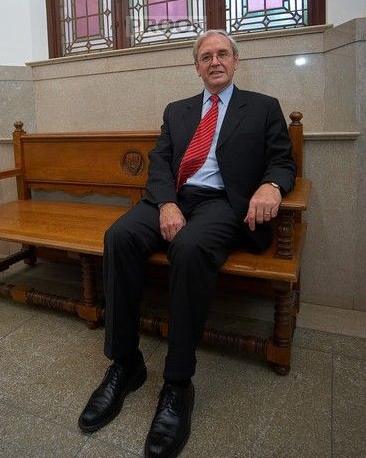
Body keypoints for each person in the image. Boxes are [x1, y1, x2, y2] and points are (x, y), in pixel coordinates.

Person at [78, 30, 296, 457]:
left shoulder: (264, 108)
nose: (214, 62)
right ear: (196, 66)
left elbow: (281, 160)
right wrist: (166, 203)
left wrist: (271, 185)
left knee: (190, 247)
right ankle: (125, 364)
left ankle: (177, 384)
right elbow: (160, 161)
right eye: (205, 57)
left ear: (235, 61)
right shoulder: (177, 111)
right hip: (173, 198)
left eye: (222, 54)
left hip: (222, 203)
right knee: (118, 236)